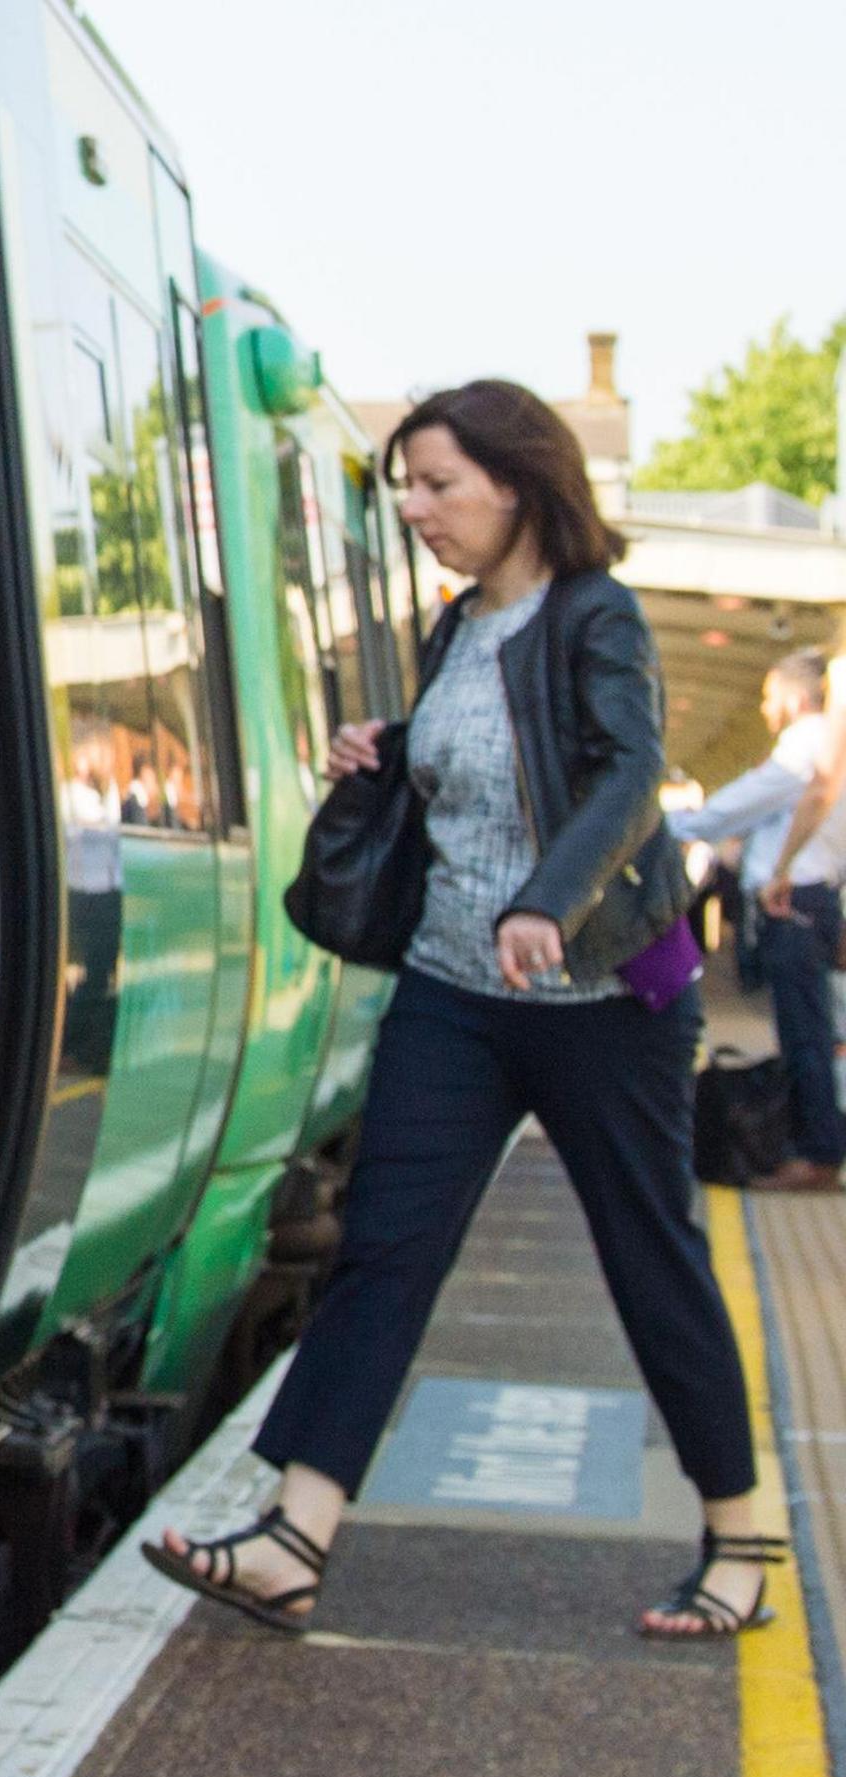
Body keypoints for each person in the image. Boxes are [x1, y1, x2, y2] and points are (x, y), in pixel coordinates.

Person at [147, 380, 775, 1641]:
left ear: (518, 481)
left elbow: (627, 775)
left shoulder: (595, 615)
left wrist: (546, 901)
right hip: (453, 992)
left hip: (594, 998)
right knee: (387, 1245)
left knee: (648, 1251)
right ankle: (293, 1536)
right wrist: (385, 747)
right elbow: (482, 767)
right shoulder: (454, 628)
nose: (418, 512)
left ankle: (743, 1538)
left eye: (438, 485)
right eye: (408, 491)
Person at [670, 649, 846, 1188]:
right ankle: (814, 1143)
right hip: (817, 899)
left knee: (805, 1035)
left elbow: (729, 810)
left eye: (770, 698)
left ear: (796, 700)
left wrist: (674, 821)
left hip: (792, 902)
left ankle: (818, 1154)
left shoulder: (807, 747)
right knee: (813, 1030)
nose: (767, 710)